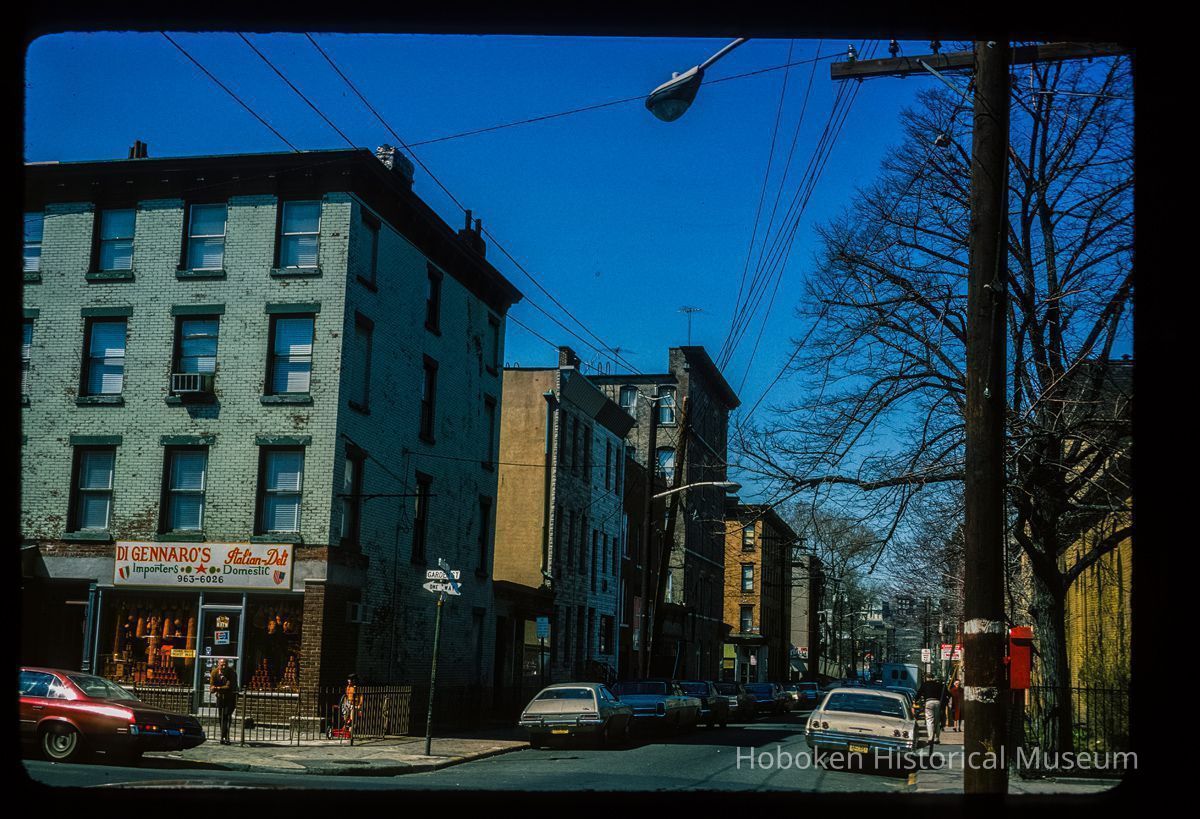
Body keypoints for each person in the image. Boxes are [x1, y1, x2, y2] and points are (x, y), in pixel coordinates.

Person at [209, 659, 238, 745]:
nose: (224, 666)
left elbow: (229, 686)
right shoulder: (214, 672)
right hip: (220, 697)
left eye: (225, 665)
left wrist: (217, 688)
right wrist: (212, 688)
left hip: (230, 697)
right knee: (221, 717)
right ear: (218, 665)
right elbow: (211, 685)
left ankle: (226, 737)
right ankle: (223, 736)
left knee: (227, 716)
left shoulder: (231, 672)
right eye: (222, 665)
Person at [917, 677, 946, 745]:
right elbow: (944, 694)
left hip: (929, 702)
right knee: (937, 721)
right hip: (938, 703)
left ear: (927, 678)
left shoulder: (925, 684)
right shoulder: (939, 685)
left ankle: (930, 738)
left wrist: (915, 700)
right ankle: (937, 738)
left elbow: (919, 693)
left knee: (930, 720)